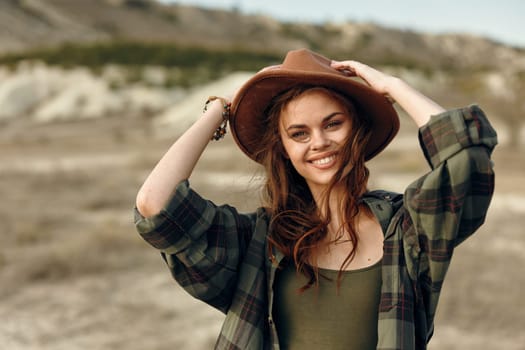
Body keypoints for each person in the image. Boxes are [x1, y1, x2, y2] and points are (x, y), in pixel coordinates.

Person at [134, 49, 497, 350]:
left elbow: (465, 158)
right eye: (299, 133)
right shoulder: (258, 240)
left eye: (333, 123)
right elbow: (156, 204)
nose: (318, 142)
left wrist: (392, 87)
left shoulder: (404, 231)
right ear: (284, 149)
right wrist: (221, 108)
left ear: (357, 129)